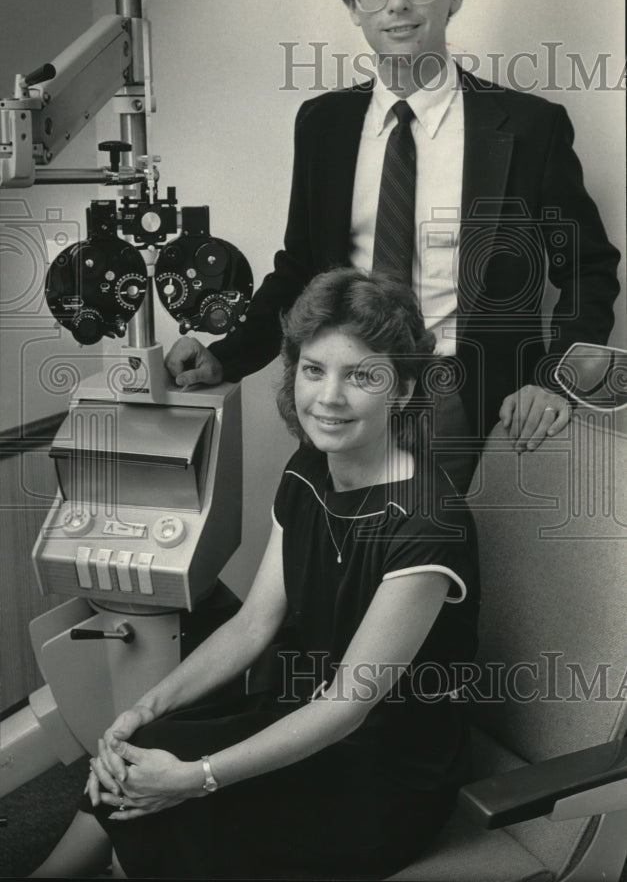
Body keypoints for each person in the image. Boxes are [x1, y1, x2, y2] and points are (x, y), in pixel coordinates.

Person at [32, 268, 479, 880]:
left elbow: (348, 706)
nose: (329, 397)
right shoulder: (308, 467)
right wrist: (141, 710)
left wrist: (198, 780)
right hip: (300, 712)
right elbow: (252, 625)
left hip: (384, 774)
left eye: (361, 376)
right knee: (150, 742)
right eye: (315, 369)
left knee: (176, 796)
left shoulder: (428, 524)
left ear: (400, 391)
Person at [166, 0, 620, 469]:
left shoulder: (531, 127)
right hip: (341, 397)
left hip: (468, 406)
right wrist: (225, 358)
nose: (397, 3)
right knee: (334, 555)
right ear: (354, 5)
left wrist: (555, 381)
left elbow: (588, 270)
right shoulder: (323, 124)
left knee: (448, 558)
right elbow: (301, 268)